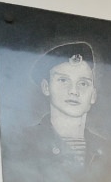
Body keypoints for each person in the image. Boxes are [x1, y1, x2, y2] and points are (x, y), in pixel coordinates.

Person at [29, 41, 105, 169]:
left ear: (93, 95)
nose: (74, 91)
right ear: (46, 87)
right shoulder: (24, 143)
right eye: (63, 80)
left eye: (83, 83)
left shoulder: (109, 150)